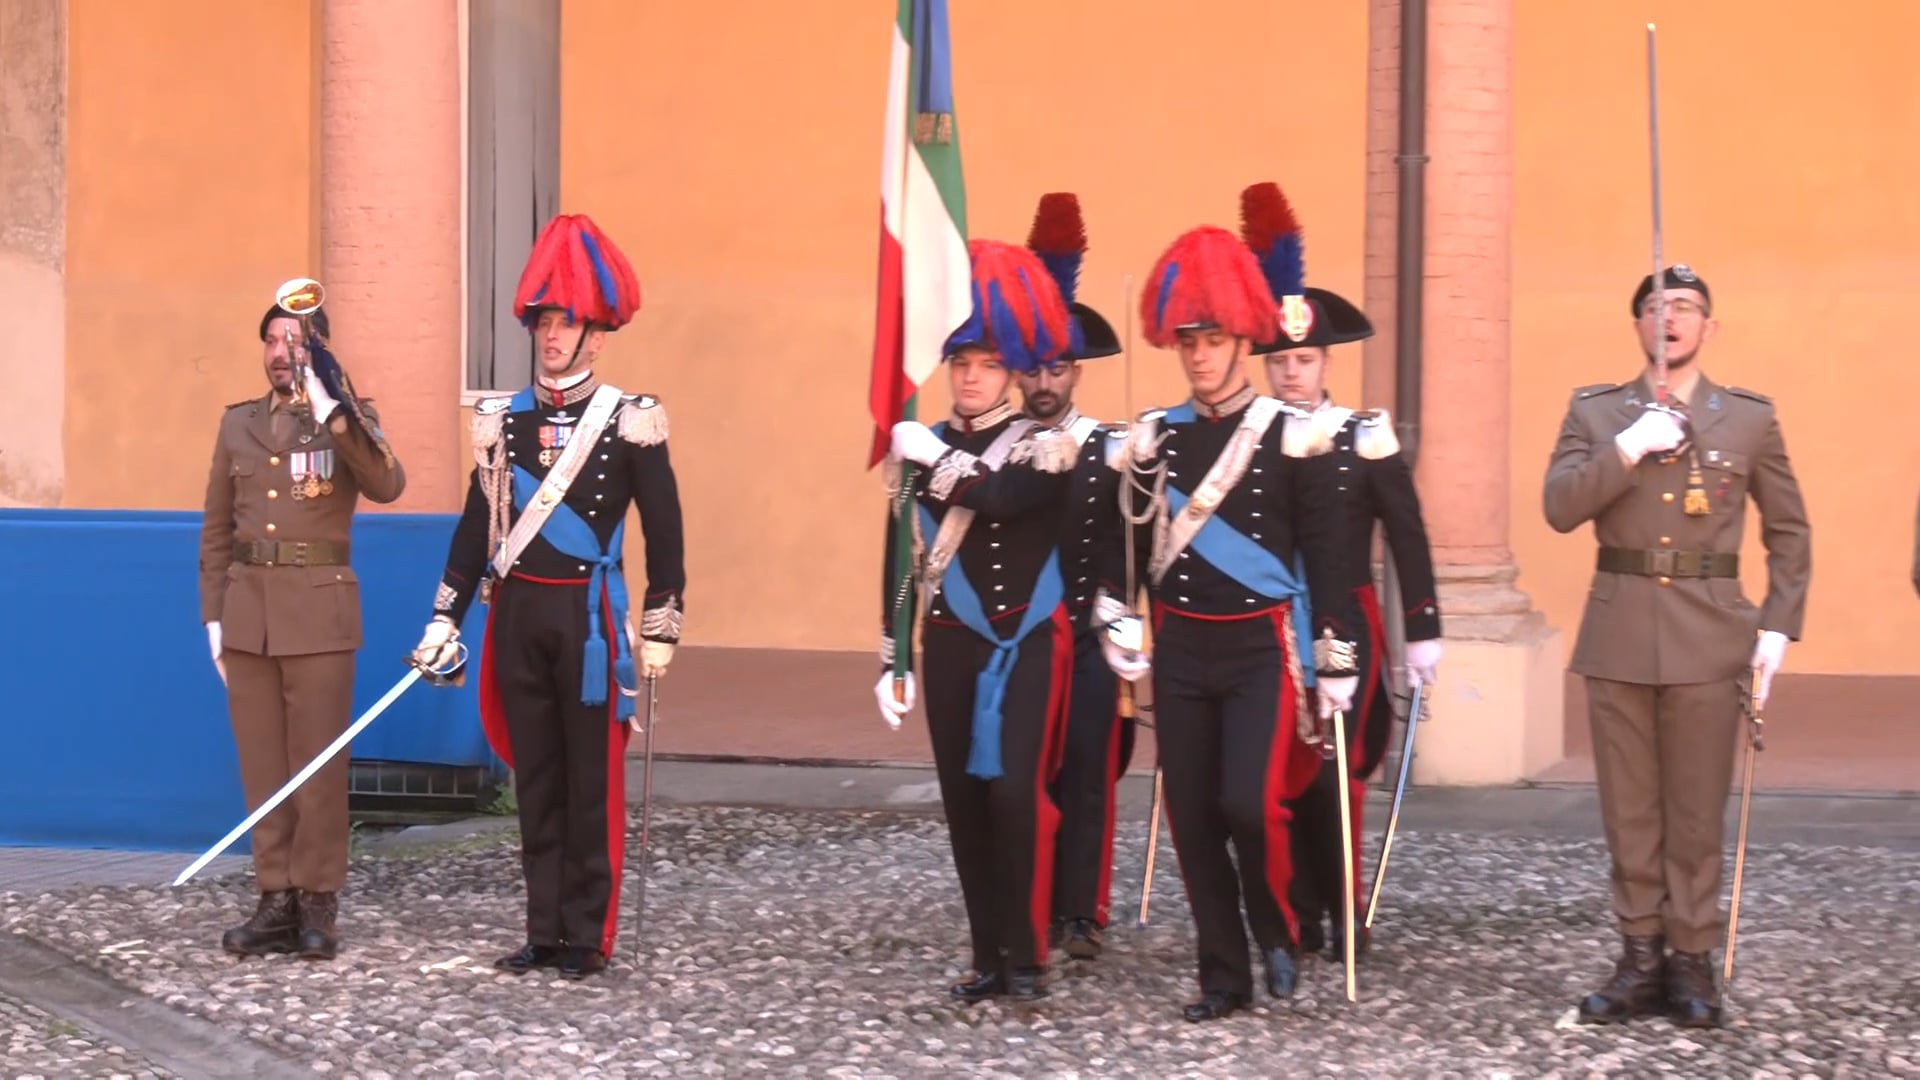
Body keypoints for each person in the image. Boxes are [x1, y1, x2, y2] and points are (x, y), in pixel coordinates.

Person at [1095, 222, 1363, 1021]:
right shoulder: (1156, 437)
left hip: (1260, 646)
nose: (1201, 356)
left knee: (1249, 803)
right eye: (1189, 342)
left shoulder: (1289, 436)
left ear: (1241, 340)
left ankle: (1277, 927)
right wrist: (1117, 613)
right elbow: (1129, 542)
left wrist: (1336, 654)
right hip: (1181, 645)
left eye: (1213, 339)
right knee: (1194, 817)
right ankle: (1224, 974)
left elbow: (1328, 555)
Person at [410, 213, 686, 980]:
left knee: (589, 779)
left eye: (567, 322)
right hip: (521, 610)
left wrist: (663, 616)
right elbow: (476, 529)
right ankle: (542, 929)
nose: (553, 335)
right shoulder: (505, 423)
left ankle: (586, 934)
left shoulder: (631, 422)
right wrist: (445, 614)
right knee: (535, 776)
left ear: (598, 335)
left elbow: (664, 530)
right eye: (545, 321)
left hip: (588, 617)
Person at [1543, 263, 1810, 1028]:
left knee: (1694, 812)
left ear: (1709, 328)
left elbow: (1789, 528)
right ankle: (1639, 955)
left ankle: (1691, 960)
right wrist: (1627, 448)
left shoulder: (1747, 419)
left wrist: (1777, 624)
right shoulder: (1596, 414)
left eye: (1686, 307)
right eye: (1657, 307)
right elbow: (1560, 506)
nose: (1671, 319)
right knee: (1629, 811)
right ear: (1637, 325)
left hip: (1710, 630)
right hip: (1620, 630)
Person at [876, 238, 1083, 1003]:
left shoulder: (1048, 446)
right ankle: (988, 953)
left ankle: (1029, 952)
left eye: (987, 363)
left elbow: (995, 499)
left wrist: (928, 453)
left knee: (1013, 795)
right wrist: (891, 654)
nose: (970, 377)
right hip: (953, 639)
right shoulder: (919, 444)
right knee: (963, 799)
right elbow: (902, 555)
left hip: (1025, 638)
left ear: (1012, 369)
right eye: (959, 363)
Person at [1240, 180, 1443, 960]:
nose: (1293, 373)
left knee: (1336, 771)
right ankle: (1291, 912)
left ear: (1326, 362)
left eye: (1305, 359)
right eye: (1281, 360)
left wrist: (1421, 626)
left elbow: (1408, 530)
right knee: (1276, 773)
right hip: (1267, 620)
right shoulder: (1245, 440)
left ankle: (1341, 908)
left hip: (1344, 618)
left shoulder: (1364, 435)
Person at [198, 290, 407, 960]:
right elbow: (216, 530)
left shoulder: (347, 420)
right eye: (271, 340)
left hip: (319, 614)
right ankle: (274, 897)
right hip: (248, 616)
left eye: (293, 341)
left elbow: (387, 484)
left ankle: (319, 899)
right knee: (263, 765)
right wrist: (212, 615)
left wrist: (335, 413)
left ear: (315, 350)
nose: (279, 353)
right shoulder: (238, 425)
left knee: (316, 767)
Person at [1018, 193, 1132, 960]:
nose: (1045, 381)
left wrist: (1127, 620)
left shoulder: (1110, 446)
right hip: (1021, 632)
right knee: (1028, 777)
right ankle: (1026, 902)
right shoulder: (1000, 444)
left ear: (1076, 372)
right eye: (1034, 366)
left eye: (1057, 367)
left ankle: (1081, 913)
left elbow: (1131, 541)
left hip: (1088, 631)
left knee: (1087, 772)